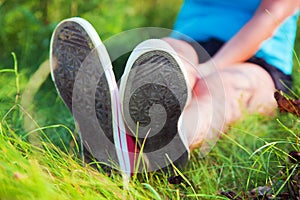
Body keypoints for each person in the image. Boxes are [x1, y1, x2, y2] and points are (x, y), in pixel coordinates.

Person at [49, 0, 300, 174]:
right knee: (165, 57)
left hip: (260, 61)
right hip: (191, 41)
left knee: (216, 91)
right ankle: (123, 133)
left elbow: (271, 16)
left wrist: (212, 67)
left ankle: (146, 153)